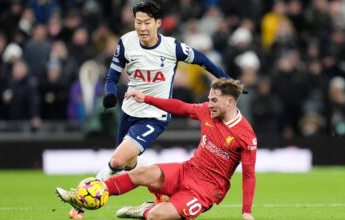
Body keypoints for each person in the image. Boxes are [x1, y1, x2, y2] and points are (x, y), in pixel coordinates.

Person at [57, 78, 257, 220]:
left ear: (230, 102)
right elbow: (180, 107)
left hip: (205, 191)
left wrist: (246, 212)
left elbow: (249, 175)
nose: (209, 104)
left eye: (214, 100)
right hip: (187, 170)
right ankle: (88, 195)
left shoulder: (245, 136)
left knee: (157, 216)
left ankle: (145, 210)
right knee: (143, 173)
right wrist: (147, 99)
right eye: (209, 99)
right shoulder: (208, 112)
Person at [98, 1, 230, 182]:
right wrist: (110, 94)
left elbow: (203, 60)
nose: (142, 27)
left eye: (147, 22)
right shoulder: (126, 42)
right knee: (129, 164)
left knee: (117, 161)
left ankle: (82, 198)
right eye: (138, 22)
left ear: (158, 23)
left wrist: (226, 80)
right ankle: (163, 186)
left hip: (155, 115)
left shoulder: (172, 47)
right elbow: (112, 77)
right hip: (129, 111)